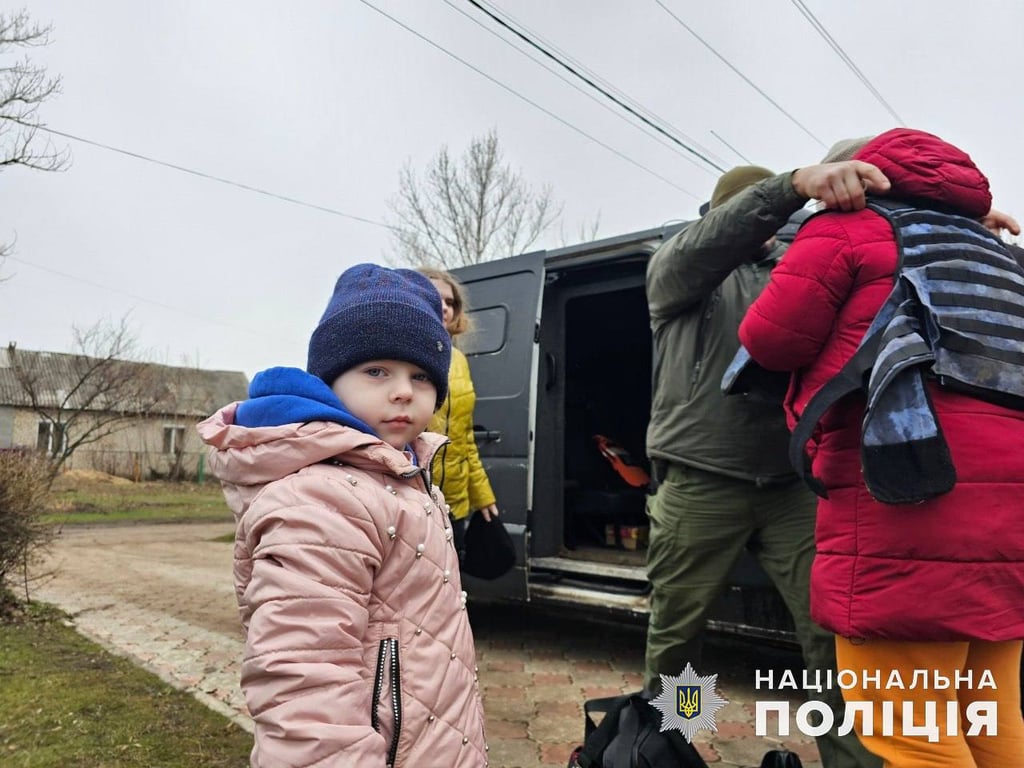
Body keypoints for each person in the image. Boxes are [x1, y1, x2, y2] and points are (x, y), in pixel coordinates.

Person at [738, 127, 1024, 766]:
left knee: (907, 730)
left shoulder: (846, 230)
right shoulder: (995, 247)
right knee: (991, 713)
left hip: (907, 505)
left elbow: (769, 341)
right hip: (1011, 518)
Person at [644, 159, 890, 768]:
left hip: (792, 482)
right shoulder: (682, 268)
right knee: (681, 636)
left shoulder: (799, 267)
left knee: (831, 632)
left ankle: (851, 759)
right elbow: (712, 242)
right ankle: (672, 747)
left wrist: (947, 220)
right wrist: (785, 189)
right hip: (701, 475)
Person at [197, 264, 487, 767]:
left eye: (421, 376)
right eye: (377, 371)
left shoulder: (404, 476)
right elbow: (305, 686)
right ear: (331, 382)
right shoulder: (322, 501)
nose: (403, 391)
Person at [418, 267, 499, 557]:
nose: (443, 306)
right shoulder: (400, 354)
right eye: (433, 297)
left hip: (454, 503)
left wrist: (482, 495)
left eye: (450, 302)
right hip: (414, 499)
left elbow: (464, 438)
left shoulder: (460, 361)